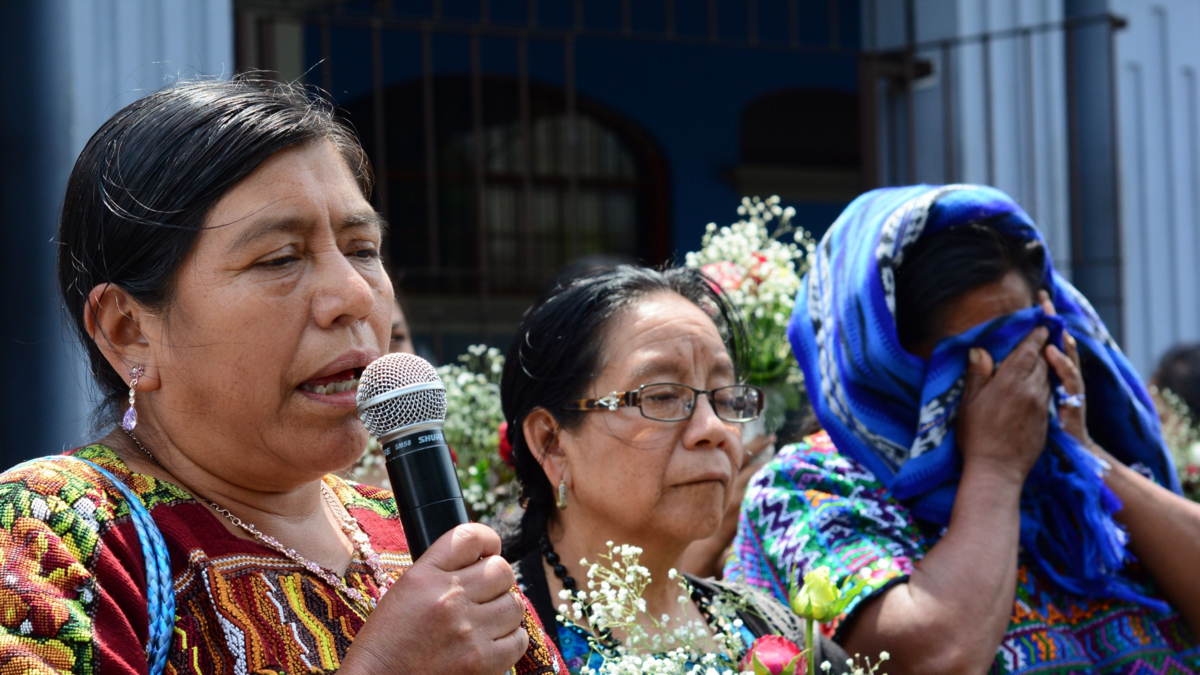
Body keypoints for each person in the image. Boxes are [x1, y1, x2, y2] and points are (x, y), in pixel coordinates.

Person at [0, 77, 565, 674]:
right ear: (129, 331)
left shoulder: (414, 539)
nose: (353, 295)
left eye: (362, 249)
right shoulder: (51, 536)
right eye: (280, 258)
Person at [727, 185, 1200, 674]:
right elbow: (938, 659)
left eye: (1029, 341)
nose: (1017, 377)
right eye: (980, 356)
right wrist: (995, 469)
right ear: (887, 366)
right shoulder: (810, 487)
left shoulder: (1067, 476)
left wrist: (1083, 450)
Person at [499, 265, 849, 672]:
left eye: (725, 398)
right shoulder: (493, 641)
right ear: (553, 443)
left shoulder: (777, 638)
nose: (713, 429)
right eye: (663, 396)